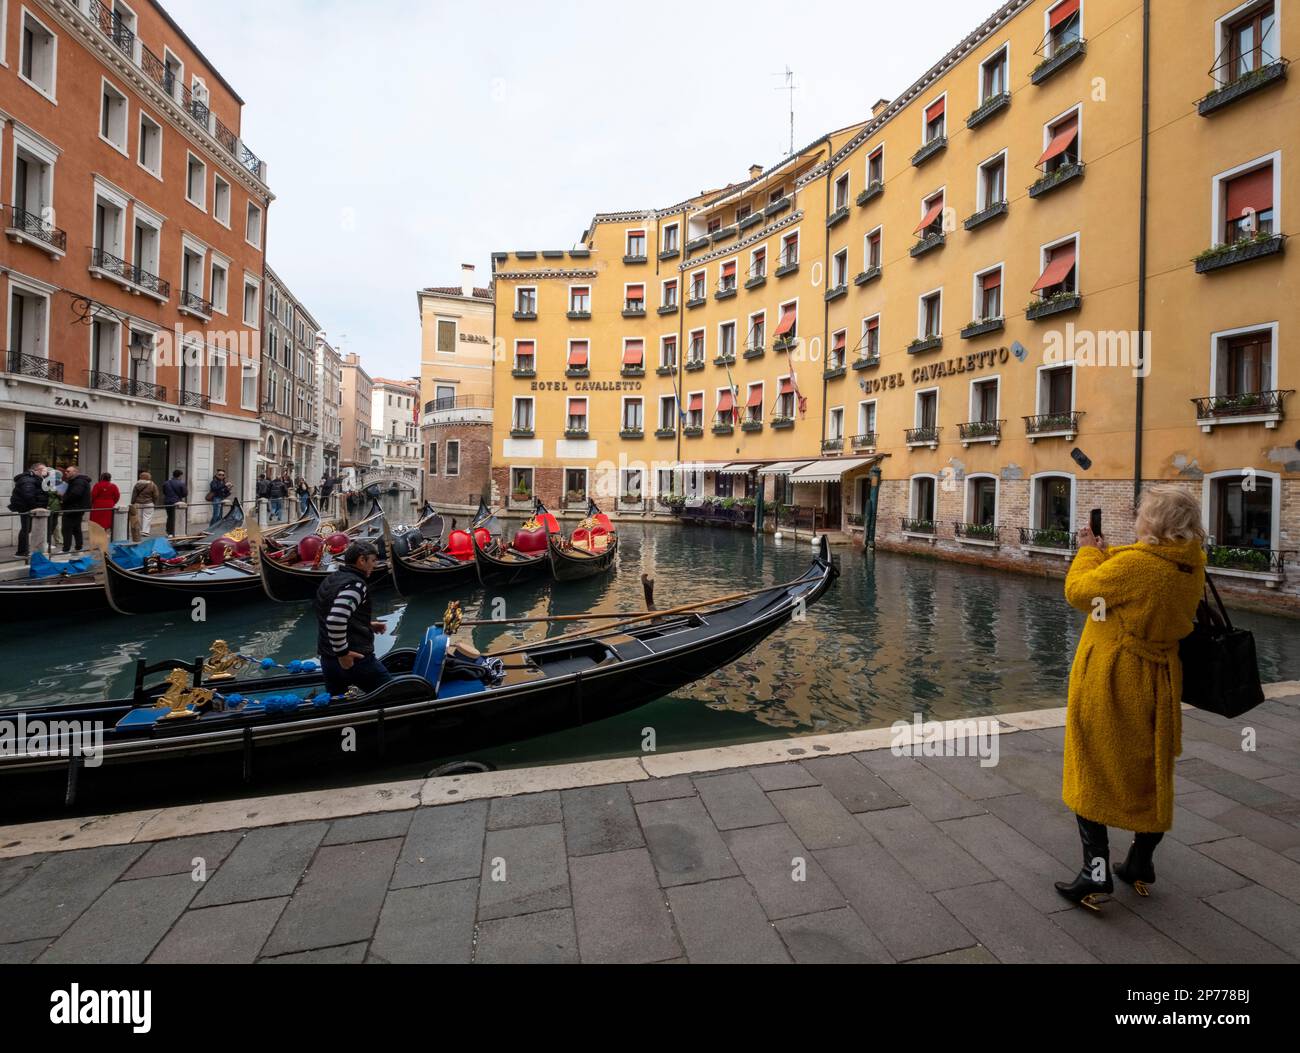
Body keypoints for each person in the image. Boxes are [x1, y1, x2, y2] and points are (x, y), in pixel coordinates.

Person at [1055, 486, 1208, 910]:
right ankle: (1140, 863)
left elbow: (1081, 593)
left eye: (1142, 511)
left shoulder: (1140, 567)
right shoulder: (1190, 561)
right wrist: (1107, 552)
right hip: (1159, 680)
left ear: (1154, 521)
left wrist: (1087, 551)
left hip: (1114, 677)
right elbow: (1133, 572)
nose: (1137, 515)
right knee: (1150, 768)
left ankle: (1095, 872)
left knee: (1091, 765)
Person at [315, 541, 392, 696]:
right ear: (361, 560)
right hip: (354, 659)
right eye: (372, 560)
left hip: (328, 659)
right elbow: (335, 620)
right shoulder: (356, 585)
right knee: (394, 694)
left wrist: (367, 624)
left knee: (339, 704)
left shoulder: (333, 578)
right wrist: (343, 654)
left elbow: (329, 613)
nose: (374, 565)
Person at [8, 463, 47, 558]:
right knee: (26, 529)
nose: (46, 472)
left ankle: (24, 551)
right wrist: (36, 507)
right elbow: (28, 495)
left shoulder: (34, 479)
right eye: (44, 469)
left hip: (30, 508)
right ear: (37, 470)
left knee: (27, 529)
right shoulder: (28, 479)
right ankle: (21, 552)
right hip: (28, 508)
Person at [61, 466, 92, 554]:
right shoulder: (77, 481)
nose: (66, 473)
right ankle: (78, 547)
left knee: (66, 529)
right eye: (65, 471)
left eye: (68, 471)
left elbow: (75, 494)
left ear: (75, 472)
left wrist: (63, 498)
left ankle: (66, 549)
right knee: (76, 528)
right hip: (77, 508)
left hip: (73, 508)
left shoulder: (78, 481)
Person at [130, 471, 160, 542]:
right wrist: (154, 502)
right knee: (147, 516)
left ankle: (139, 530)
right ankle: (145, 531)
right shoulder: (152, 484)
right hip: (148, 503)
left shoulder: (137, 484)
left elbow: (134, 494)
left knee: (139, 517)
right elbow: (156, 495)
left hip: (138, 502)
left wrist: (132, 502)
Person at [162, 470, 187, 537]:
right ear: (180, 475)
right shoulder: (181, 483)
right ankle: (175, 531)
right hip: (177, 502)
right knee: (176, 517)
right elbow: (185, 493)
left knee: (169, 516)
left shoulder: (166, 483)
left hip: (167, 501)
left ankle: (169, 532)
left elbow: (164, 492)